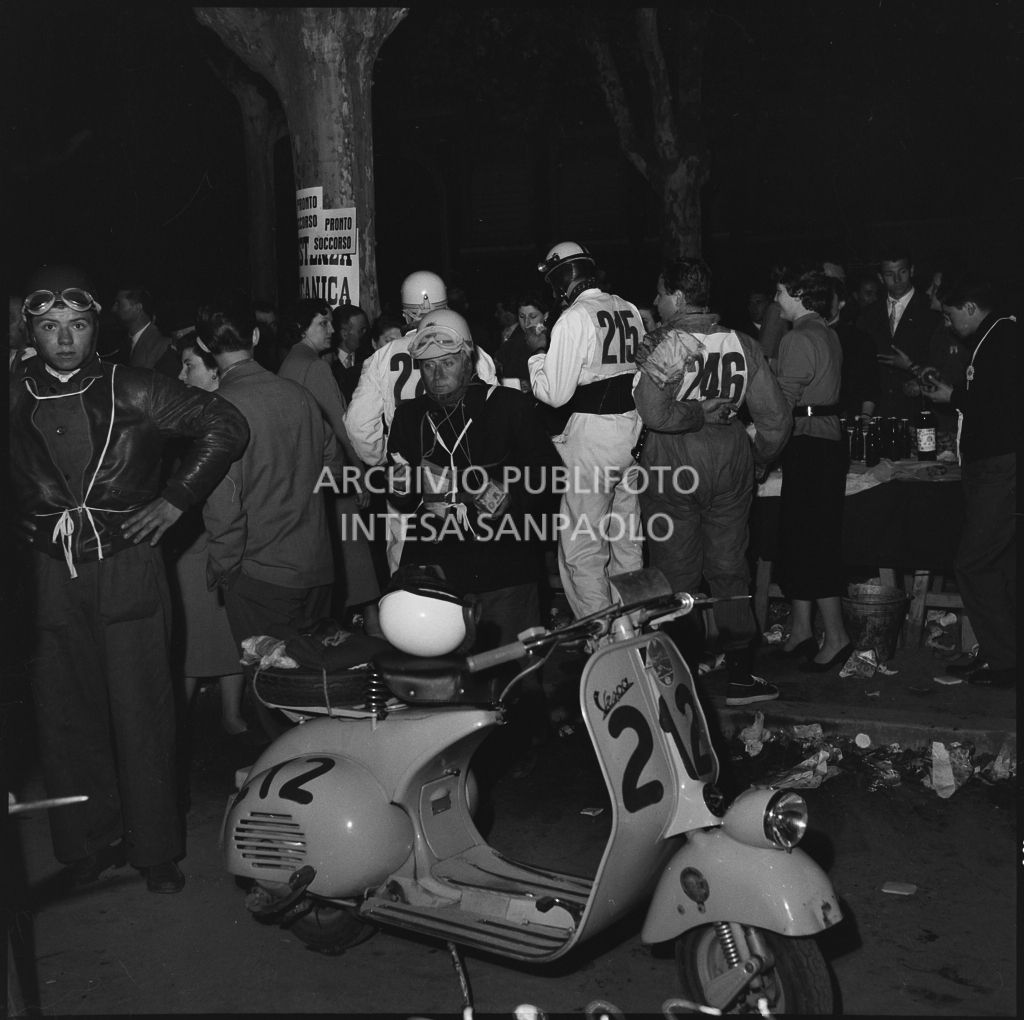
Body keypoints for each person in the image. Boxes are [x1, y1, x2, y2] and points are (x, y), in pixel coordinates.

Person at [8, 264, 250, 893]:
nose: (65, 338)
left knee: (144, 707)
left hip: (128, 564)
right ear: (31, 330)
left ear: (98, 327)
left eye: (77, 324)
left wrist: (175, 499)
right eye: (50, 325)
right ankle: (89, 842)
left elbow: (226, 425)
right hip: (48, 574)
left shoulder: (135, 387)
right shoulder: (12, 395)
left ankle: (155, 848)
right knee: (66, 714)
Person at [385, 308, 562, 775]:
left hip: (503, 564)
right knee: (444, 677)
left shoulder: (508, 406)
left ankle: (524, 754)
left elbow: (550, 476)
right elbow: (399, 494)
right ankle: (455, 760)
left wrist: (508, 496)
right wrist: (402, 485)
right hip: (439, 569)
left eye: (447, 362)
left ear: (468, 359)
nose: (437, 374)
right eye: (427, 366)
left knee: (513, 671)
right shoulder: (409, 415)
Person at [633, 258, 792, 706]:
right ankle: (740, 676)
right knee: (729, 569)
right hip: (730, 462)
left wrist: (695, 413)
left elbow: (654, 413)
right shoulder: (742, 343)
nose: (655, 302)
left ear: (679, 297)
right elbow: (777, 420)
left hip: (674, 464)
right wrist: (758, 459)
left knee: (675, 573)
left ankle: (677, 682)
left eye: (660, 293)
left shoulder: (667, 344)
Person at [198, 293, 343, 731]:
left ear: (203, 347)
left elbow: (222, 503)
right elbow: (334, 468)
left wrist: (224, 568)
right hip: (315, 566)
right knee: (318, 691)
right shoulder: (299, 396)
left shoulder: (219, 409)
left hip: (260, 574)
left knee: (275, 698)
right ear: (256, 337)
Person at [344, 270, 497, 573]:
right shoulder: (474, 352)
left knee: (405, 561)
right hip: (463, 472)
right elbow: (493, 415)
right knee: (470, 558)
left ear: (404, 314)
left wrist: (384, 459)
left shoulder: (383, 356)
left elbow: (358, 425)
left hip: (407, 471)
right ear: (447, 307)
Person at [529, 241, 644, 621]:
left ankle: (602, 635)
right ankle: (633, 626)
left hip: (594, 439)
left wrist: (537, 355)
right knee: (626, 542)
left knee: (582, 548)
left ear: (561, 278)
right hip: (631, 434)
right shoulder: (628, 309)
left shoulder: (574, 318)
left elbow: (555, 394)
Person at [922, 275, 1016, 688]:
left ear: (971, 308)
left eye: (950, 315)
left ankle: (1005, 661)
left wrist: (954, 397)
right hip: (987, 466)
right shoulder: (990, 337)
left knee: (973, 563)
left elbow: (1004, 404)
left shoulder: (1004, 337)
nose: (947, 323)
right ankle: (1001, 657)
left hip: (1000, 466)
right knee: (998, 562)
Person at [278, 299, 381, 634]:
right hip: (334, 478)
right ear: (301, 328)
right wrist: (358, 477)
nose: (332, 330)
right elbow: (340, 426)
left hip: (307, 478)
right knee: (356, 567)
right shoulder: (315, 366)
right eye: (323, 323)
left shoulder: (289, 363)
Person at [772, 263, 853, 671]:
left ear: (798, 295)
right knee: (804, 539)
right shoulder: (827, 332)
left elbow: (781, 405)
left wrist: (760, 448)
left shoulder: (797, 338)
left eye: (780, 292)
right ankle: (802, 629)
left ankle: (836, 636)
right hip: (828, 442)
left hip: (808, 445)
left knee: (813, 542)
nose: (775, 300)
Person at [168, 337, 248, 738]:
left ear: (214, 370)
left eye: (190, 366)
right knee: (193, 632)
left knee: (226, 630)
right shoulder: (183, 415)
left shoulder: (227, 415)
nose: (181, 375)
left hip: (223, 535)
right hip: (189, 540)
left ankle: (230, 714)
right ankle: (177, 722)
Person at [857, 246, 941, 418]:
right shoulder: (868, 315)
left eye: (902, 272)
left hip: (921, 409)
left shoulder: (931, 309)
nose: (897, 279)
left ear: (911, 271)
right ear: (880, 277)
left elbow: (943, 361)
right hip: (879, 411)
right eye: (889, 274)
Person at [827, 276, 879, 423]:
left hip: (850, 417)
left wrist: (865, 416)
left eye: (828, 299)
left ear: (841, 303)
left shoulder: (857, 337)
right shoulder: (808, 335)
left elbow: (870, 383)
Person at [110, 282, 180, 378]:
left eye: (118, 304)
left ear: (137, 308)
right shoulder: (122, 343)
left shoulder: (163, 345)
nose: (113, 309)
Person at [330, 302, 371, 401]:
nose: (365, 333)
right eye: (361, 330)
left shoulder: (368, 359)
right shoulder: (327, 363)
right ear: (344, 333)